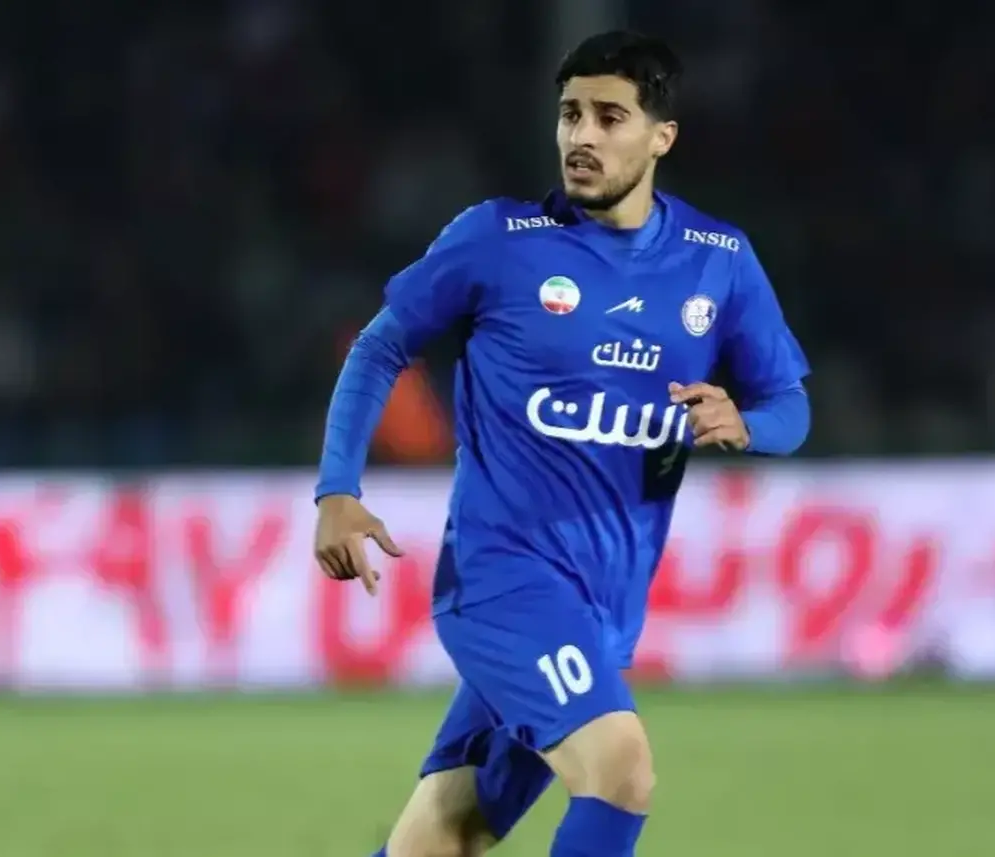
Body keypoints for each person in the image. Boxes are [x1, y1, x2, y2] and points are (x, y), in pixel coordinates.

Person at [314, 30, 811, 857]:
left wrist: (747, 423)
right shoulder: (498, 240)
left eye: (609, 117)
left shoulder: (718, 263)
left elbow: (790, 404)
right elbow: (378, 348)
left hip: (606, 608)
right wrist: (338, 487)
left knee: (448, 834)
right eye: (570, 113)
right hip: (502, 581)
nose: (582, 135)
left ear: (661, 136)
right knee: (621, 768)